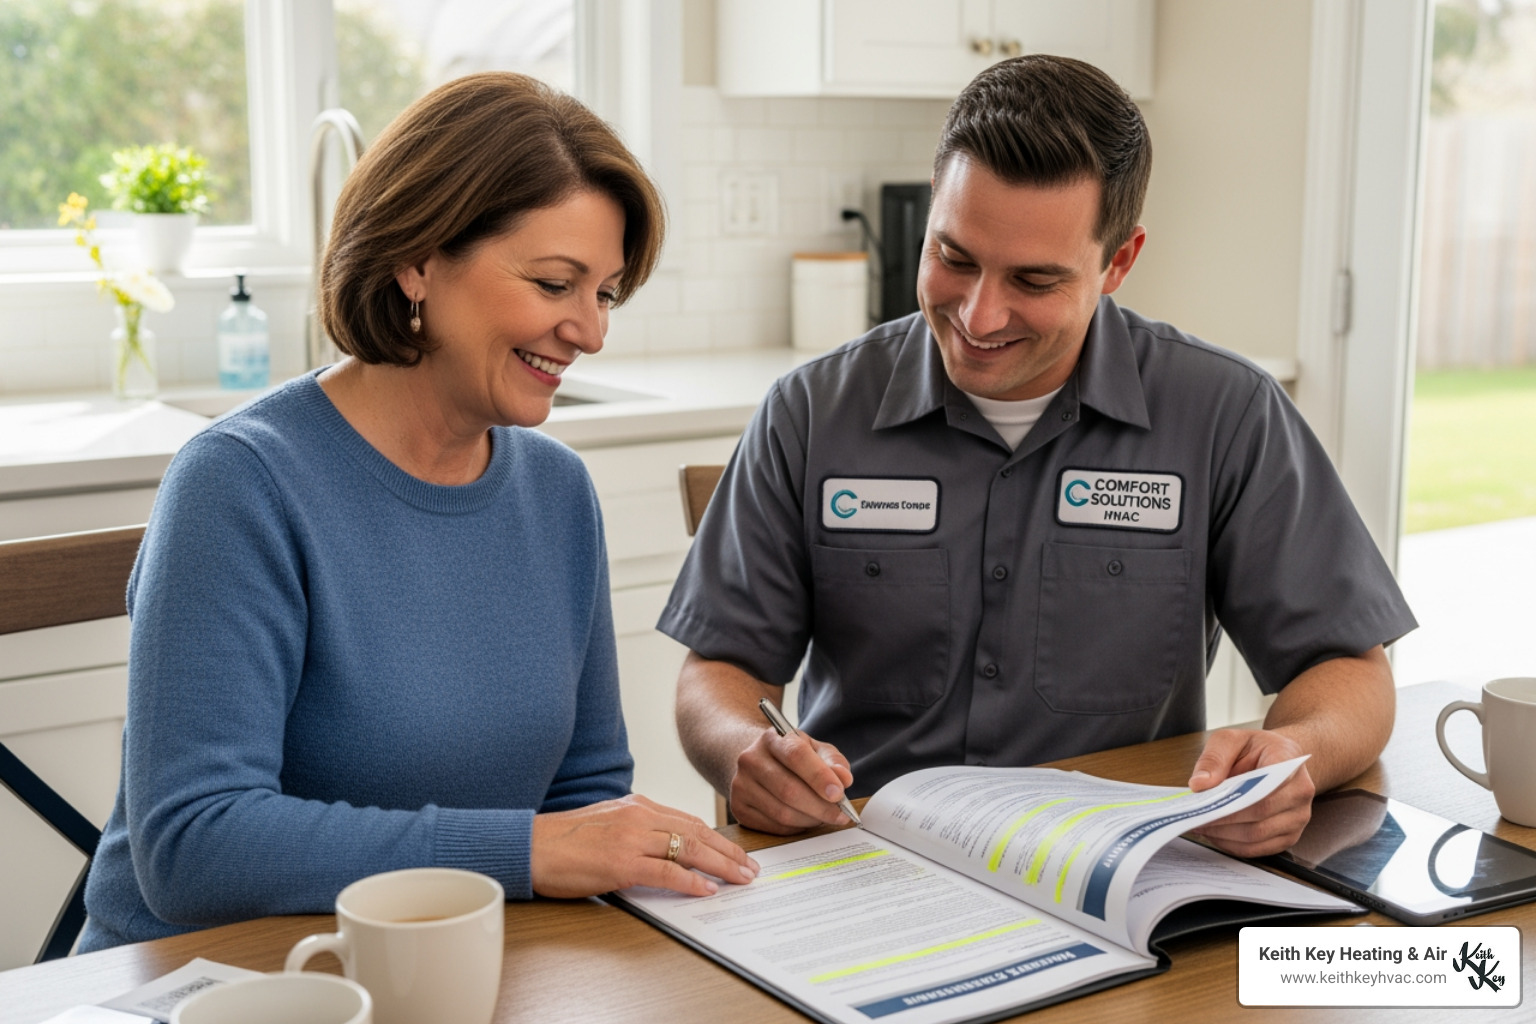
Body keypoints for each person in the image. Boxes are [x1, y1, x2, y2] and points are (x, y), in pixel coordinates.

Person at [662, 55, 1416, 858]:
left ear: (1118, 263)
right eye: (953, 257)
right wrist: (745, 749)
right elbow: (720, 669)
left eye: (1033, 279)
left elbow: (1351, 668)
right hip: (864, 863)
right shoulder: (810, 412)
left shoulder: (1226, 412)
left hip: (1116, 870)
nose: (979, 314)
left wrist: (1291, 755)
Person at [79, 72, 757, 952]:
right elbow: (194, 847)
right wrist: (524, 852)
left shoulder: (556, 492)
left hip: (451, 968)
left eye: (605, 294)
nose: (590, 333)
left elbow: (584, 790)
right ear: (418, 261)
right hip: (215, 986)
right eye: (556, 284)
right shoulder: (240, 483)